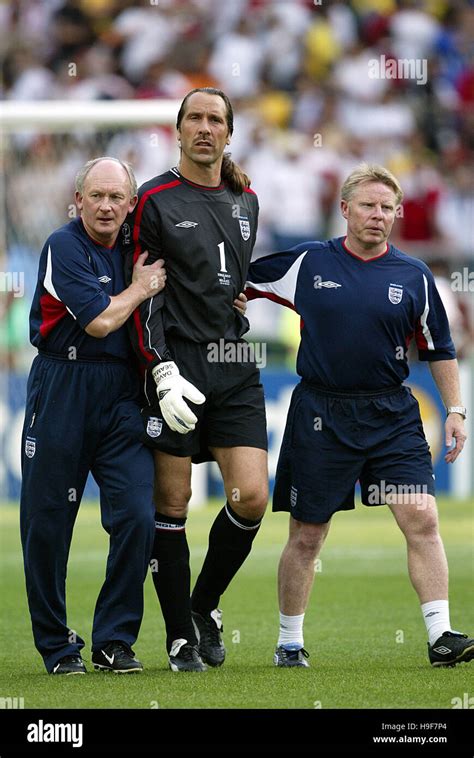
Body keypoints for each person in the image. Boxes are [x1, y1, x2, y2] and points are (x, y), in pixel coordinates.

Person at [245, 163, 473, 668]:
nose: (378, 215)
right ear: (345, 209)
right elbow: (238, 283)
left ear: (396, 215)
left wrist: (455, 410)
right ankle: (289, 642)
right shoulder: (306, 262)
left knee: (422, 516)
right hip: (321, 411)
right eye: (368, 205)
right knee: (307, 534)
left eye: (387, 207)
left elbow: (439, 348)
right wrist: (231, 307)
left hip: (392, 411)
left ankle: (442, 636)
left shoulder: (414, 275)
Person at [124, 87, 268, 672]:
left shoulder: (247, 199)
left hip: (233, 364)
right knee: (174, 499)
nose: (205, 128)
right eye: (195, 118)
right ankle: (180, 635)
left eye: (216, 119)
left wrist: (238, 304)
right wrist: (159, 367)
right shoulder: (152, 199)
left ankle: (202, 606)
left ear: (229, 134)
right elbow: (144, 293)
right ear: (178, 130)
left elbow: (231, 278)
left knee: (252, 497)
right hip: (176, 364)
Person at [20, 157, 166, 675]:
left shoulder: (137, 248)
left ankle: (113, 640)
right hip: (62, 386)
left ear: (130, 205)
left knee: (135, 515)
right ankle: (57, 647)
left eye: (116, 198)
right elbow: (103, 321)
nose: (106, 206)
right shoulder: (64, 245)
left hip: (123, 395)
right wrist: (139, 289)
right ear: (77, 201)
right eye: (96, 196)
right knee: (47, 524)